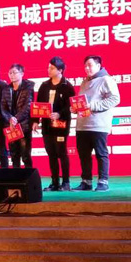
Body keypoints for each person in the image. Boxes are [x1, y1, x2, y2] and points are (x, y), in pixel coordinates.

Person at [73, 55, 120, 192]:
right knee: (84, 155)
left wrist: (92, 106)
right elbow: (83, 103)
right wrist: (75, 108)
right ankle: (86, 182)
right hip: (82, 125)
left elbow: (115, 99)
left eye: (90, 65)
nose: (87, 68)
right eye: (85, 66)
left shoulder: (106, 79)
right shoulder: (84, 82)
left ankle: (103, 182)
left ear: (98, 66)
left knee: (101, 154)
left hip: (99, 124)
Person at [32, 57, 76, 191]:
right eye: (48, 67)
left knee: (61, 152)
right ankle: (55, 182)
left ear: (60, 70)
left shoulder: (67, 86)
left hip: (61, 125)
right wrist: (35, 121)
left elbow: (70, 106)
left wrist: (59, 114)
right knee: (51, 153)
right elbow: (38, 105)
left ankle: (66, 182)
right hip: (47, 125)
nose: (49, 70)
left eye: (52, 68)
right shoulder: (44, 86)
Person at [1, 64, 35, 168]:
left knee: (25, 155)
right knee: (14, 155)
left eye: (14, 72)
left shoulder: (28, 87)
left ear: (22, 74)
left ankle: (29, 176)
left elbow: (28, 106)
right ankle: (16, 177)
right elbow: (3, 108)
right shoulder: (6, 89)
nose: (12, 75)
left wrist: (16, 118)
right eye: (10, 73)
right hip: (11, 126)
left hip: (24, 125)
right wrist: (10, 119)